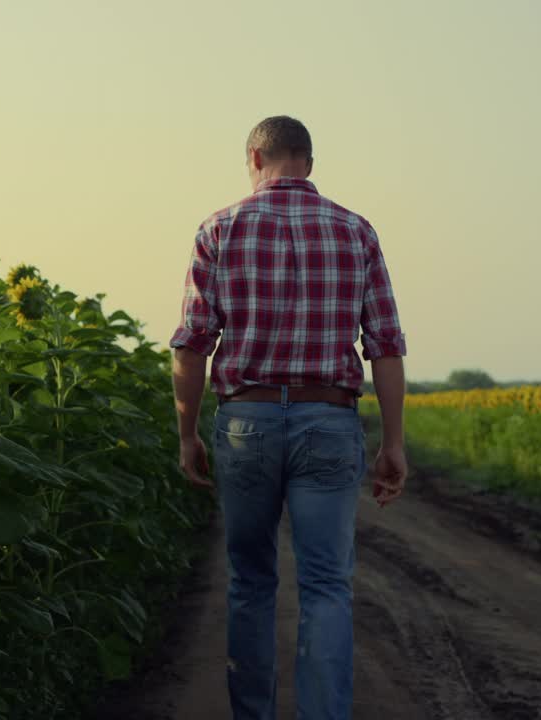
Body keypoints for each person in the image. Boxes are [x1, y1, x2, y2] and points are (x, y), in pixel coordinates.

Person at [169, 115, 409, 720]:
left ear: (254, 159)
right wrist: (393, 444)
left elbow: (192, 344)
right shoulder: (356, 231)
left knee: (251, 584)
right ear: (309, 162)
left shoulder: (218, 229)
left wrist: (188, 433)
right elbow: (384, 345)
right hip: (328, 421)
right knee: (327, 587)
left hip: (245, 422)